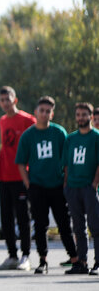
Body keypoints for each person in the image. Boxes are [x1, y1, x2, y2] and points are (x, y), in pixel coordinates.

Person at [15, 96, 78, 275]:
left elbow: (66, 160)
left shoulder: (59, 133)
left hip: (57, 186)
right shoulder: (28, 135)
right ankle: (42, 260)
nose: (44, 114)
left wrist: (65, 181)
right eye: (41, 110)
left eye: (48, 111)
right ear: (36, 112)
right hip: (37, 187)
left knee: (64, 224)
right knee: (40, 225)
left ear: (52, 113)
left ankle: (74, 259)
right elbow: (20, 162)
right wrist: (28, 184)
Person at [0, 86, 36, 271]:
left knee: (23, 218)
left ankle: (25, 256)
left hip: (20, 176)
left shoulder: (28, 120)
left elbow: (33, 148)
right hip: (3, 176)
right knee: (6, 219)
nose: (5, 103)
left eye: (7, 99)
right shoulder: (2, 121)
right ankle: (12, 255)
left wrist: (30, 175)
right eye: (2, 100)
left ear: (15, 100)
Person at [62, 102, 99, 275]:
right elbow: (66, 164)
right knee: (78, 227)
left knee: (95, 226)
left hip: (88, 187)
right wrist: (66, 185)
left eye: (84, 114)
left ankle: (98, 262)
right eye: (78, 114)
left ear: (91, 117)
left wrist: (94, 185)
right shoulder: (70, 138)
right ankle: (81, 262)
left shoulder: (96, 137)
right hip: (73, 188)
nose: (81, 118)